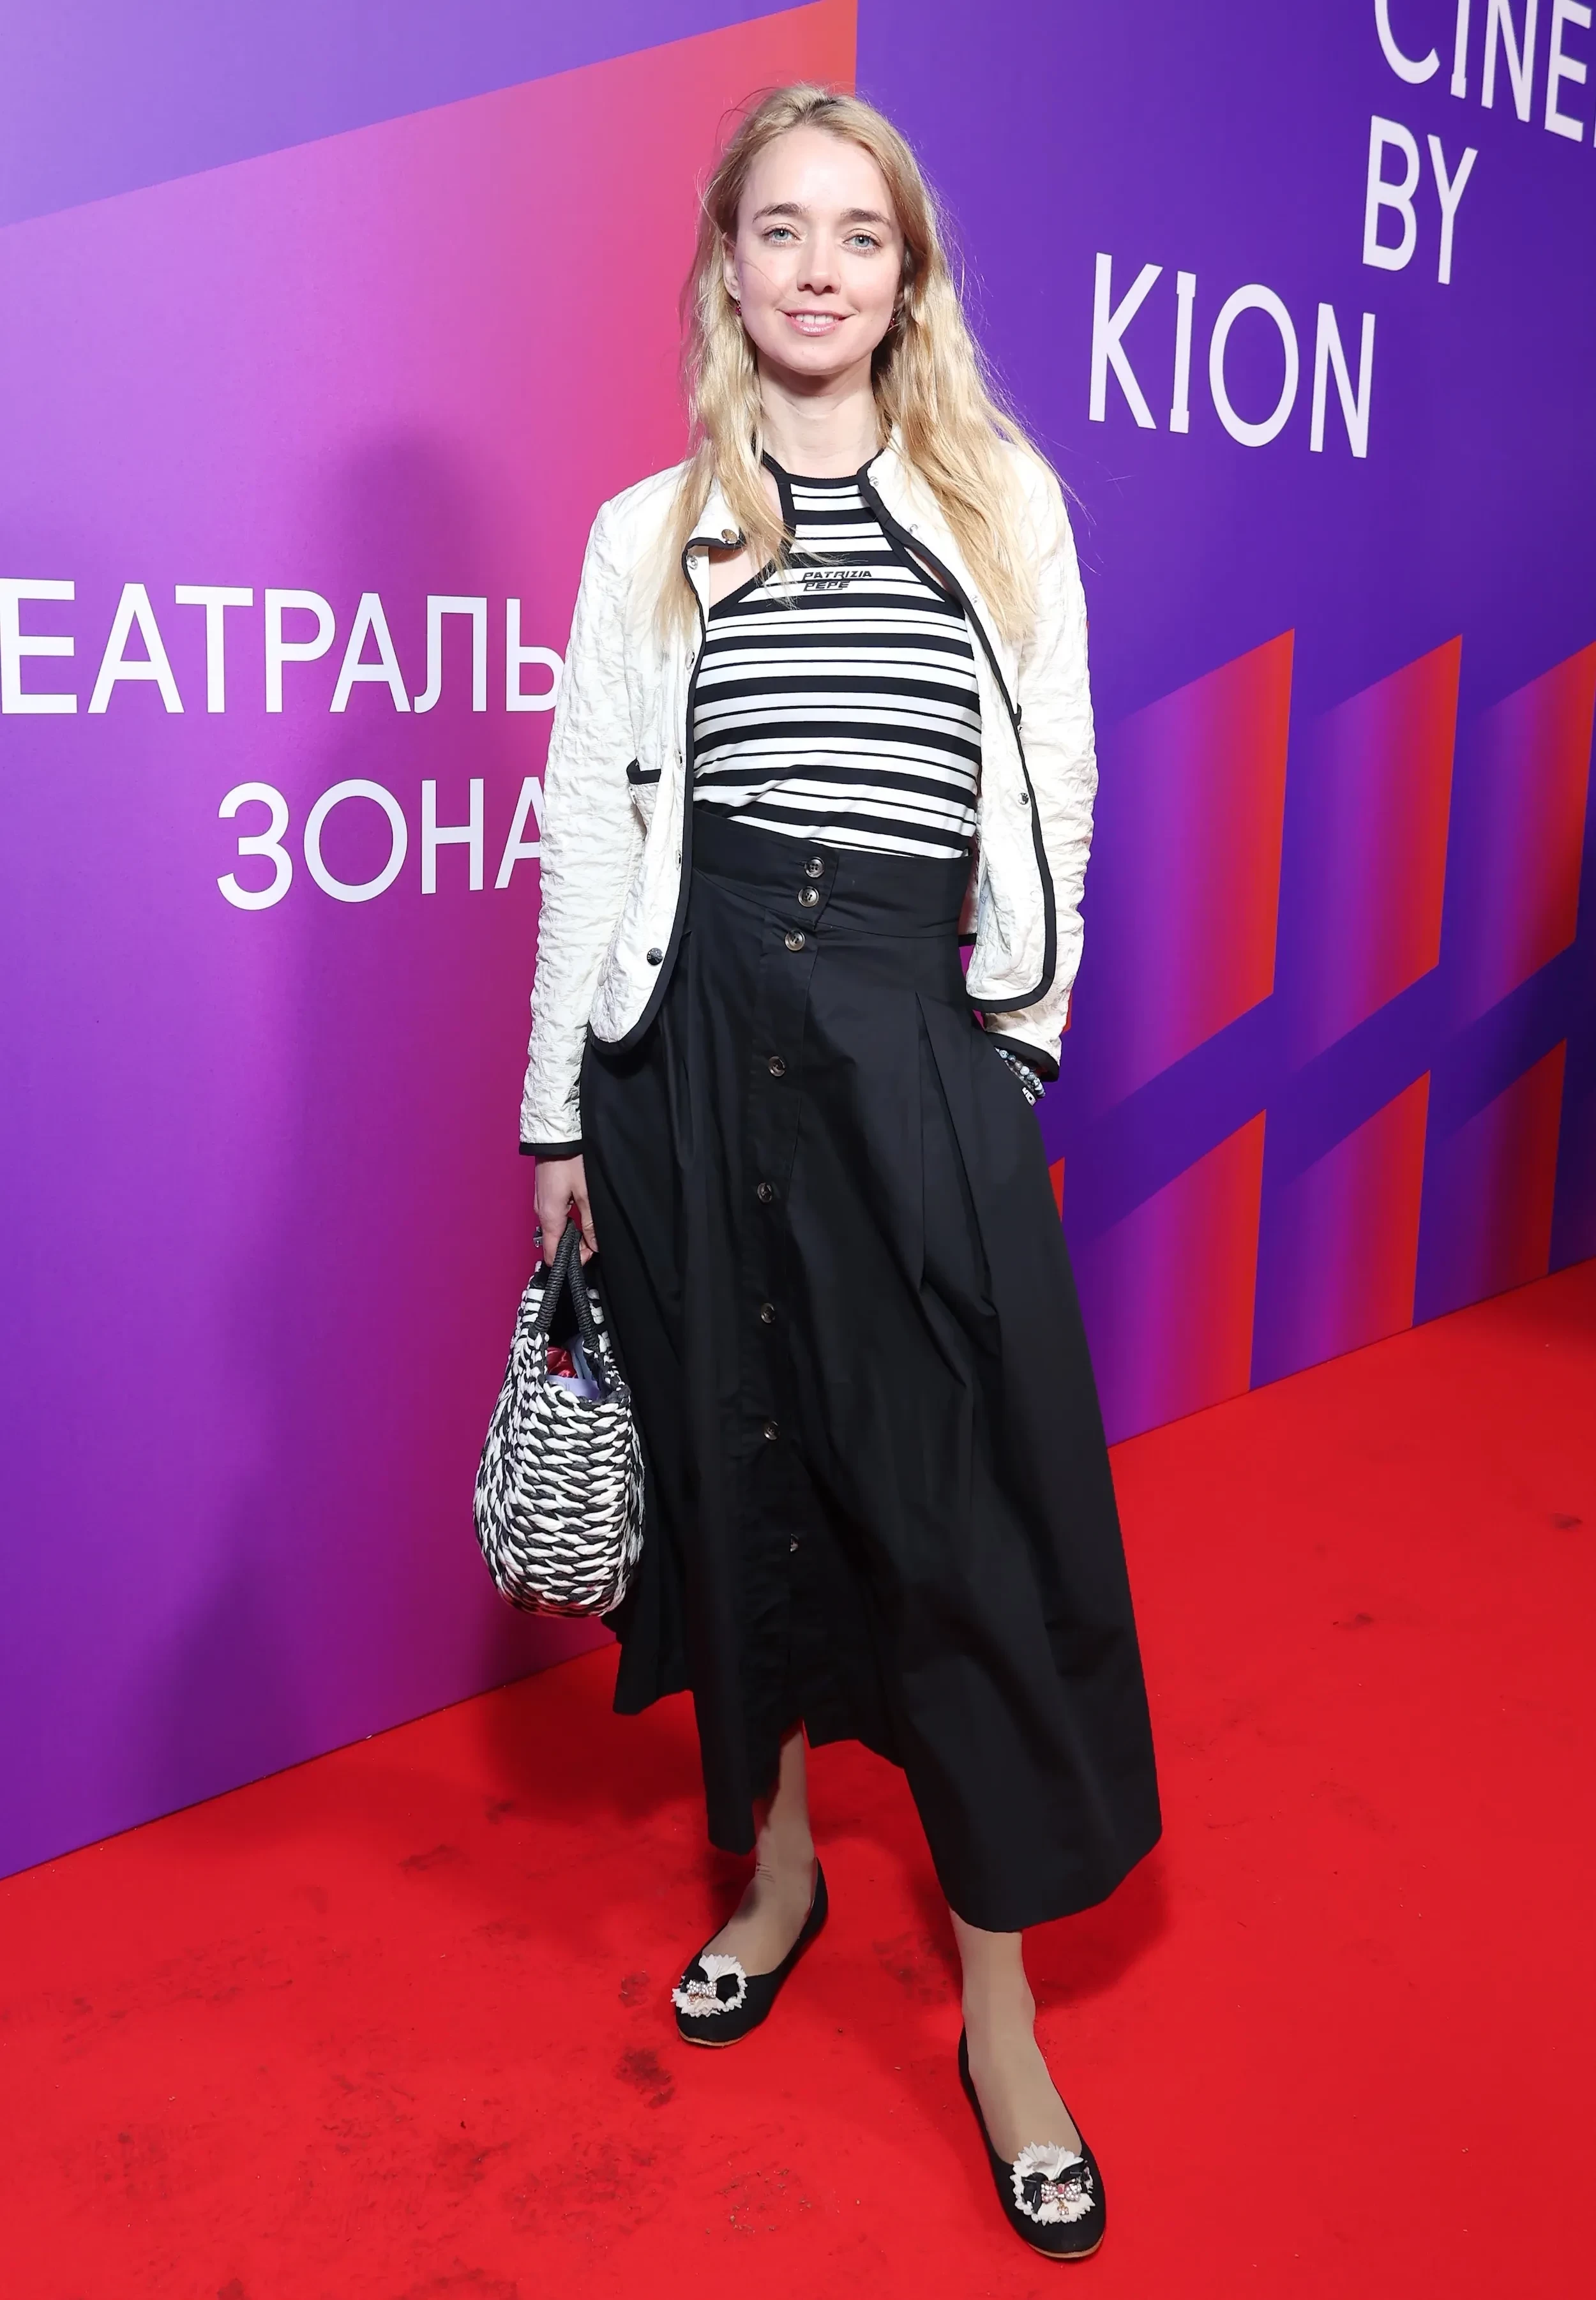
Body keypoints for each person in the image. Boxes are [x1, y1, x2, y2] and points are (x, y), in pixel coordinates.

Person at [519, 84, 1159, 2259]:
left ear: (907, 279)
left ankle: (1002, 2023)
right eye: (778, 229)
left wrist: (1014, 1043)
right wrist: (554, 1112)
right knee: (741, 1478)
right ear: (725, 266)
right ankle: (779, 1874)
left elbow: (1053, 774)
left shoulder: (996, 500)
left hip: (907, 1036)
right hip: (690, 1050)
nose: (816, 268)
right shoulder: (647, 529)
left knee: (957, 1519)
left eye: (857, 235)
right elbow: (588, 830)